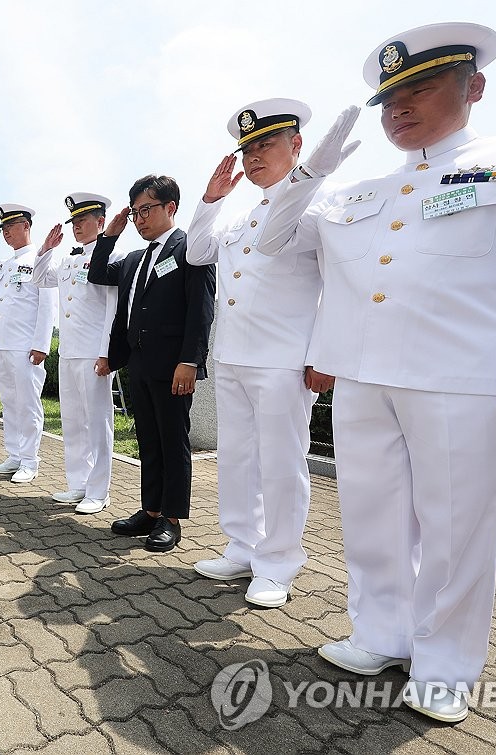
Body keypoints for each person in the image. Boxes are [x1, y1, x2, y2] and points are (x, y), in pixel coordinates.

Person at [256, 22, 496, 722]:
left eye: (419, 89)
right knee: (371, 518)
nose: (397, 109)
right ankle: (381, 633)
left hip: (462, 377)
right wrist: (309, 172)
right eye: (387, 100)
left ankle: (446, 664)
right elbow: (272, 238)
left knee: (457, 527)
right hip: (362, 376)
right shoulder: (358, 189)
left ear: (477, 87)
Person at [184, 100, 330, 608]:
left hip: (283, 359)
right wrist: (210, 198)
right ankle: (242, 546)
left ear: (297, 146)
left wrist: (322, 353)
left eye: (265, 144)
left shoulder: (316, 208)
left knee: (282, 464)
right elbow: (197, 251)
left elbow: (337, 286)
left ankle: (278, 564)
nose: (252, 157)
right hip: (233, 356)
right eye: (247, 148)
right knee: (239, 459)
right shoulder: (244, 218)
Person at [87, 176, 216, 552]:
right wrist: (108, 236)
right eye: (135, 212)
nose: (140, 219)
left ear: (170, 207)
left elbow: (201, 309)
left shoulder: (191, 248)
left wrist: (190, 361)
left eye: (147, 210)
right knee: (148, 439)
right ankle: (150, 509)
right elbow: (97, 274)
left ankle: (171, 519)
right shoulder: (133, 259)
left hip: (175, 366)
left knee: (173, 440)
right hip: (139, 362)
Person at [33, 192, 128, 515]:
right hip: (70, 352)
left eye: (83, 220)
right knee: (73, 421)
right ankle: (78, 482)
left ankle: (99, 491)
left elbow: (113, 310)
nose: (77, 226)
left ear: (101, 222)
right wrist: (45, 249)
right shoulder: (67, 260)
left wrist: (106, 353)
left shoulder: (111, 256)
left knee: (98, 422)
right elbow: (38, 279)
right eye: (74, 221)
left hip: (93, 354)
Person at [0, 203, 57, 483]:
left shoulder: (39, 259)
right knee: (9, 402)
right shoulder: (4, 265)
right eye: (3, 228)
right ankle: (15, 454)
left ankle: (30, 461)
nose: (6, 233)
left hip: (26, 346)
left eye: (11, 227)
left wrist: (42, 344)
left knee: (28, 404)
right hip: (5, 345)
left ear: (26, 226)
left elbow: (47, 305)